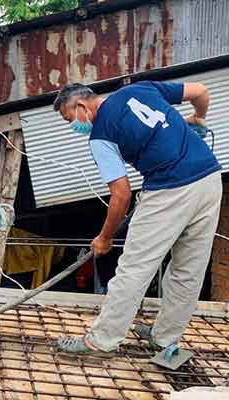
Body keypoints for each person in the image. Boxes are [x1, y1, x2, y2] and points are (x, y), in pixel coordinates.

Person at [52, 80, 221, 355]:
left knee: (134, 268)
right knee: (188, 270)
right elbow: (201, 90)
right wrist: (199, 117)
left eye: (70, 118)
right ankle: (165, 339)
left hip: (169, 189)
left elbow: (121, 195)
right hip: (210, 179)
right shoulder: (139, 89)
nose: (74, 126)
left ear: (82, 106)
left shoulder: (101, 135)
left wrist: (105, 238)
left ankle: (101, 340)